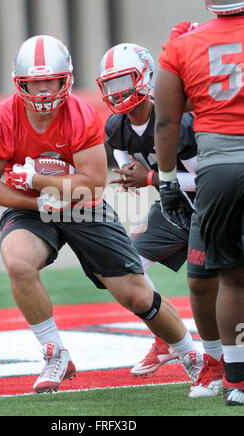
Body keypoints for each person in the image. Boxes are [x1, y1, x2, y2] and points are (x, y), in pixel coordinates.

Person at [0, 35, 201, 395]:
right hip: (32, 208)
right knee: (17, 261)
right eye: (36, 80)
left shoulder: (80, 114)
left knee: (137, 295)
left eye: (52, 80)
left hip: (83, 206)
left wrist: (37, 179)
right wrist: (37, 202)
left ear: (66, 79)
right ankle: (55, 354)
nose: (44, 89)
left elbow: (93, 184)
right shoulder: (0, 119)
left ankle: (190, 354)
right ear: (21, 82)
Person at [97, 43, 224, 398]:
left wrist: (151, 179)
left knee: (214, 283)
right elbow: (123, 154)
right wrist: (129, 172)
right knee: (124, 270)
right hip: (173, 206)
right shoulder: (116, 126)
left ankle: (223, 361)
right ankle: (166, 337)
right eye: (110, 85)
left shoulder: (176, 120)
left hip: (213, 206)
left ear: (145, 78)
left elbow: (207, 179)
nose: (118, 92)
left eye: (124, 81)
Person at [154, 0, 244, 406]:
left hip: (219, 169)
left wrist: (167, 181)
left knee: (232, 278)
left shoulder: (184, 46)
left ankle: (237, 382)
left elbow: (168, 119)